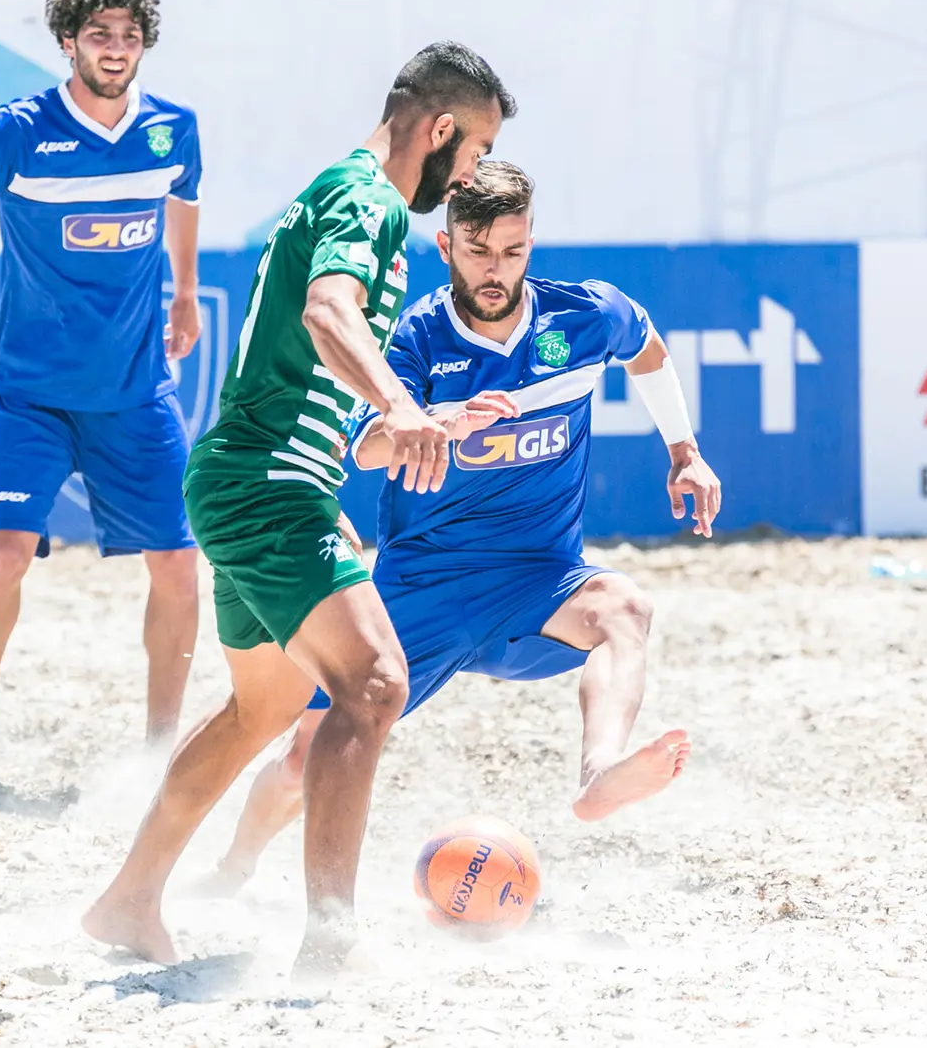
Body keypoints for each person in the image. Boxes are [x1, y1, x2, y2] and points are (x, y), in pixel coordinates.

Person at [83, 42, 516, 979]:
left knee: (261, 708)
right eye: (476, 148)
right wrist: (400, 403)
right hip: (265, 484)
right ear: (439, 130)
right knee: (373, 684)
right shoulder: (366, 198)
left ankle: (128, 899)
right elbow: (328, 313)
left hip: (261, 478)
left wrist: (403, 417)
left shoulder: (348, 195)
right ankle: (328, 937)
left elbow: (320, 354)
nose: (474, 171)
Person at [202, 161, 721, 895]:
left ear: (531, 244)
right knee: (306, 753)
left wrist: (685, 452)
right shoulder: (415, 338)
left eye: (511, 252)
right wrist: (432, 422)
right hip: (423, 590)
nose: (494, 270)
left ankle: (601, 770)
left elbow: (647, 349)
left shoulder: (585, 315)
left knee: (626, 608)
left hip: (539, 582)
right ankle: (232, 868)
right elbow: (366, 445)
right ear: (445, 248)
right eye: (477, 252)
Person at [0, 0, 202, 772]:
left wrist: (186, 292)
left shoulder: (174, 128)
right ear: (68, 40)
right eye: (100, 32)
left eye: (130, 33)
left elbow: (184, 198)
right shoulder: (15, 133)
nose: (116, 47)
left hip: (136, 393)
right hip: (32, 397)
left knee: (181, 566)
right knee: (6, 554)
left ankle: (160, 748)